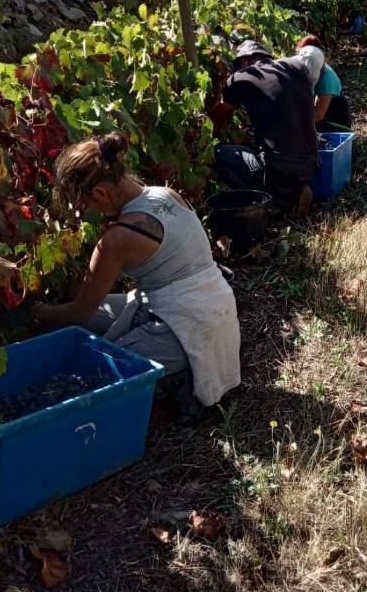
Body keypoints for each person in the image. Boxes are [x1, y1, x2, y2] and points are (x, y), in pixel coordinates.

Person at [32, 132, 240, 420]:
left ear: (102, 193)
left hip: (187, 329)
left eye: (85, 206)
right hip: (218, 311)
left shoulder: (118, 239)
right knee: (103, 314)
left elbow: (80, 312)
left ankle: (177, 379)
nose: (87, 214)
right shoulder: (165, 194)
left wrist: (39, 313)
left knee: (94, 372)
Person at [211, 39, 321, 216]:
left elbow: (219, 117)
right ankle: (295, 190)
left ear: (245, 61)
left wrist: (204, 139)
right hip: (312, 164)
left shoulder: (241, 76)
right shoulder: (296, 66)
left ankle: (276, 201)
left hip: (279, 169)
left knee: (218, 155)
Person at [295, 35, 352, 132]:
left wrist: (296, 128)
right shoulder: (297, 61)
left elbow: (318, 115)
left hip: (333, 120)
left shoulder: (327, 79)